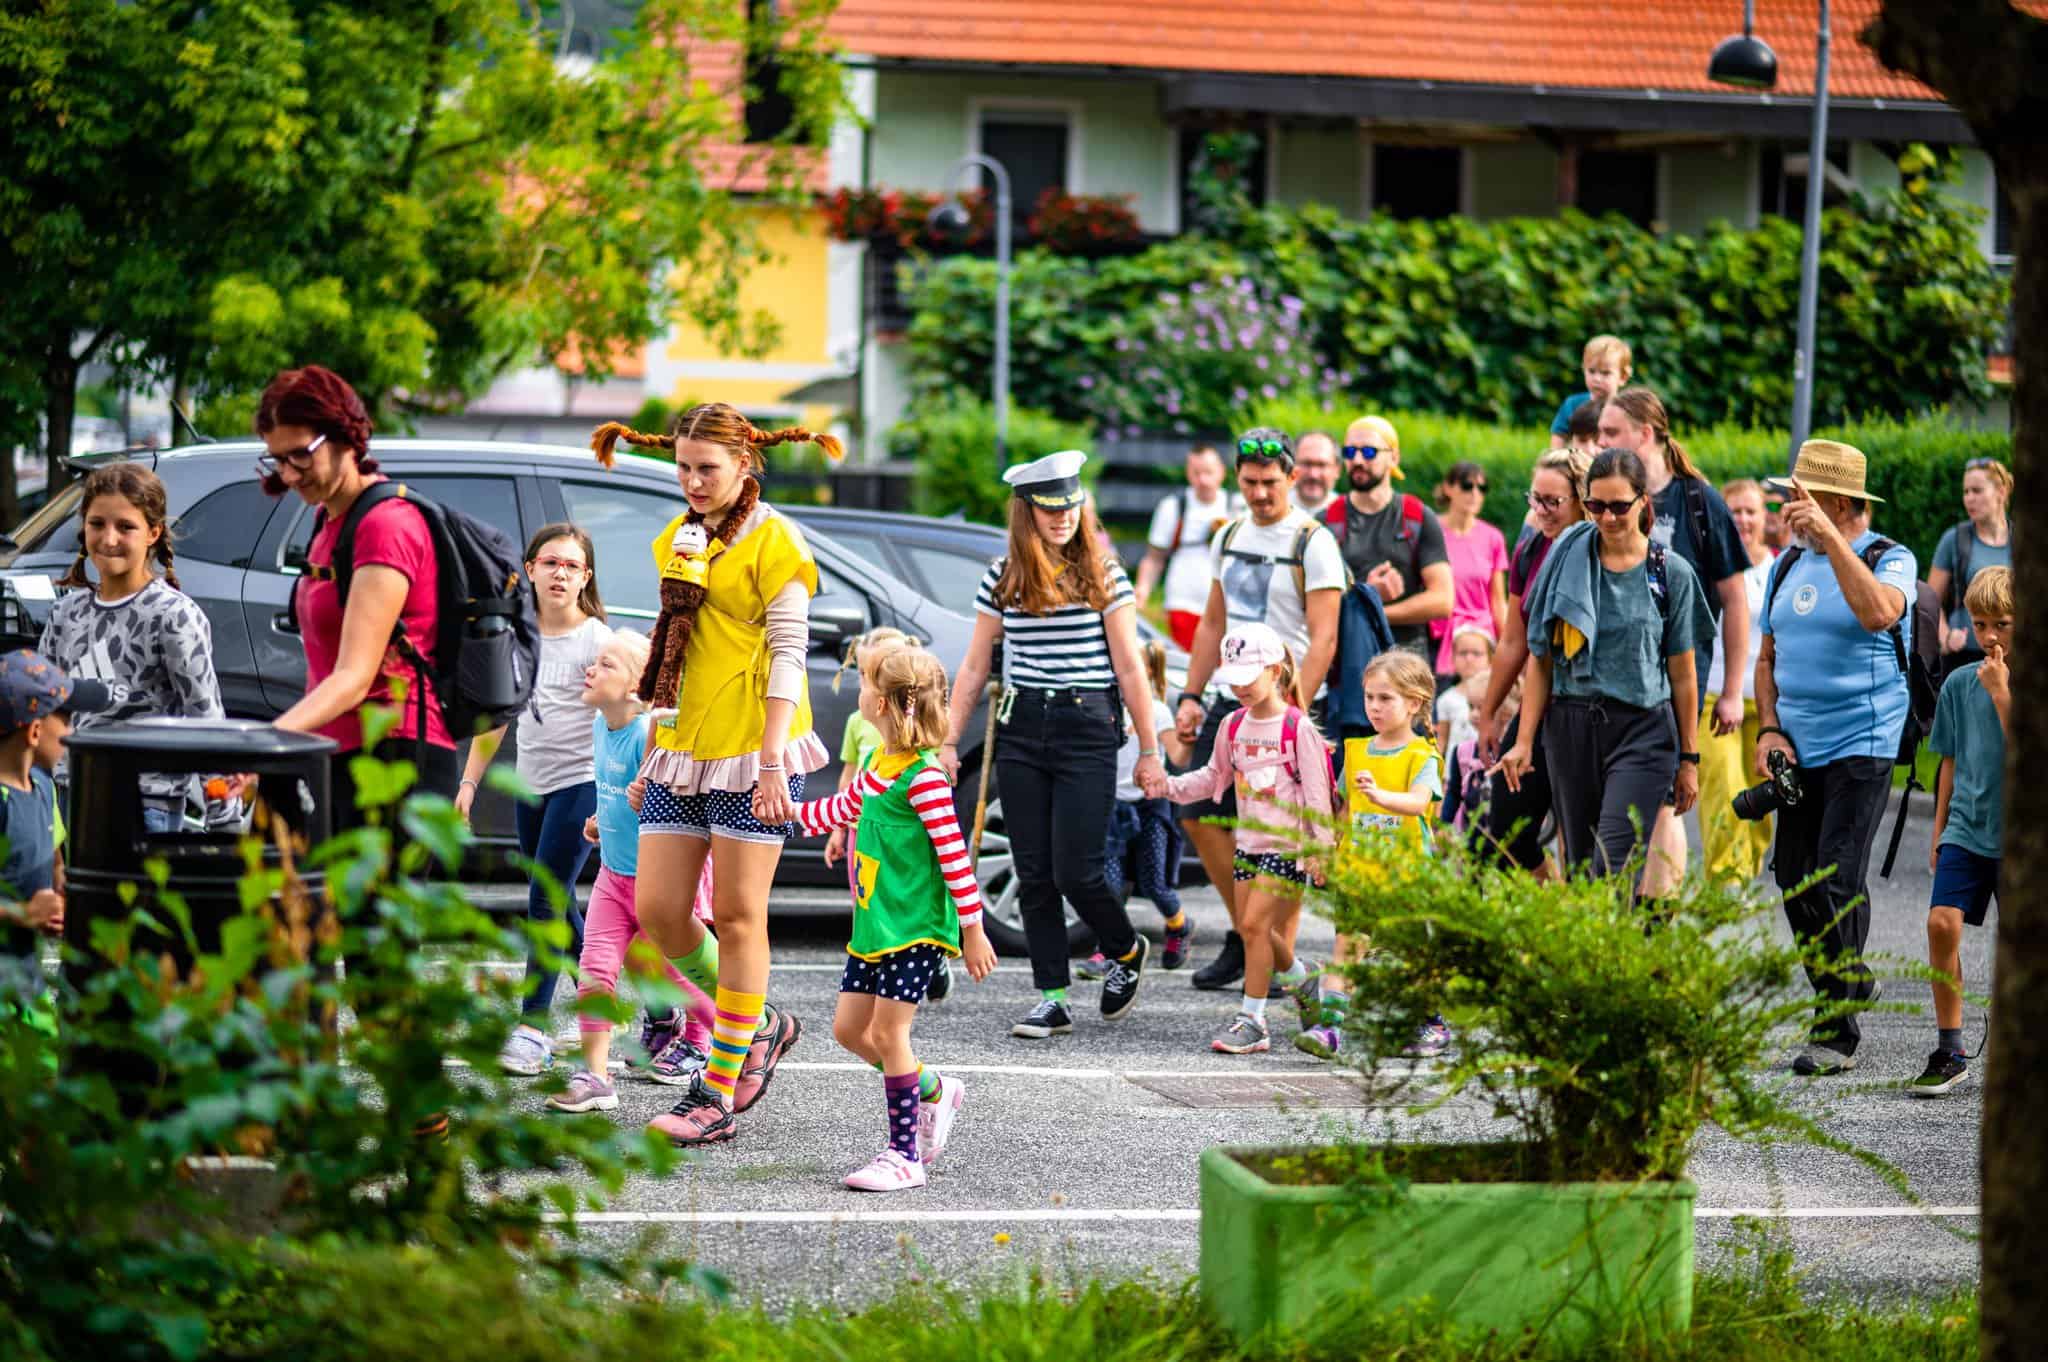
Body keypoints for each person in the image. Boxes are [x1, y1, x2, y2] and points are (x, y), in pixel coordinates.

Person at [589, 406, 841, 1145]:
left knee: (736, 916)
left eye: (708, 468)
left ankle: (717, 1090)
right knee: (663, 913)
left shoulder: (777, 540)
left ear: (744, 467)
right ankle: (755, 1018)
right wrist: (655, 746)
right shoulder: (679, 538)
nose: (694, 481)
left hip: (754, 749)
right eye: (685, 467)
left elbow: (790, 654)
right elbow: (677, 648)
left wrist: (770, 763)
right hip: (684, 744)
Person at [943, 449, 1161, 1040]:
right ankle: (1052, 996)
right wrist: (946, 740)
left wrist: (1150, 749)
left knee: (1078, 870)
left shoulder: (1105, 573)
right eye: (1049, 508)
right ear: (1027, 511)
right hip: (1020, 725)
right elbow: (973, 666)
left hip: (1087, 726)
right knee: (1033, 870)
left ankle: (1124, 947)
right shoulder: (1003, 577)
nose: (1062, 517)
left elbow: (1132, 668)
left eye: (1070, 505)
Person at [798, 647, 995, 1189]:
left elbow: (954, 858)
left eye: (862, 682)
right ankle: (934, 1088)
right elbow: (841, 810)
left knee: (889, 1034)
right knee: (848, 1030)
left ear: (879, 702)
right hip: (873, 924)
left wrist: (972, 931)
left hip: (914, 929)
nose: (856, 691)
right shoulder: (875, 765)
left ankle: (904, 1155)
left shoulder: (925, 779)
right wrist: (783, 812)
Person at [1755, 441, 1914, 1077]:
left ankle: (1835, 1030)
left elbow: (1880, 614)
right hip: (1797, 745)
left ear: (1839, 503)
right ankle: (1850, 977)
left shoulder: (1889, 557)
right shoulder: (1786, 564)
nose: (1790, 509)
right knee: (1793, 873)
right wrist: (1769, 728)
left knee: (1834, 872)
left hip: (1864, 740)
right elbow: (1766, 658)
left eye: (1802, 498)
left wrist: (1831, 538)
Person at [1172, 429, 1344, 992]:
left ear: (1292, 478)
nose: (1261, 493)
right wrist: (1193, 696)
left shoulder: (1312, 541)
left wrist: (1290, 713)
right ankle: (1253, 937)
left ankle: (1269, 958)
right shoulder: (1230, 535)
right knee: (1198, 816)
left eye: (1271, 482)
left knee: (1280, 838)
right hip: (1232, 697)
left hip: (1286, 705)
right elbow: (1212, 623)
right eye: (1250, 483)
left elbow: (1323, 639)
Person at [258, 366, 463, 822]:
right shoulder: (330, 518)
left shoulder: (384, 525)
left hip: (395, 758)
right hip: (340, 754)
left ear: (344, 436)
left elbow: (353, 675)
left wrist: (267, 742)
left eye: (300, 456)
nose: (289, 475)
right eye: (277, 459)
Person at [1497, 448, 1704, 893]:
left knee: (1610, 862)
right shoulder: (1565, 558)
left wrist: (1689, 759)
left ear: (1642, 503)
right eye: (1595, 505)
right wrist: (1525, 740)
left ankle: (1618, 948)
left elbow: (1684, 676)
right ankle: (1605, 958)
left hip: (1643, 731)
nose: (1606, 518)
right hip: (1570, 725)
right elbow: (1541, 658)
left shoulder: (1671, 573)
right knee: (1581, 866)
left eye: (1618, 506)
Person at [458, 524, 615, 1076]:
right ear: (529, 569)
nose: (561, 574)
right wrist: (470, 782)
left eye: (572, 566)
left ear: (585, 578)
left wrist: (613, 797)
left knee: (546, 899)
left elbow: (624, 714)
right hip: (533, 783)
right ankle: (613, 1009)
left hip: (582, 781)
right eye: (551, 563)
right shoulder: (518, 635)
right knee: (554, 898)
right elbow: (498, 715)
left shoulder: (597, 640)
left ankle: (532, 1028)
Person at [545, 630, 714, 1114]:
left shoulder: (649, 733)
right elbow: (613, 792)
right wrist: (603, 821)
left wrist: (653, 800)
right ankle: (595, 1077)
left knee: (671, 978)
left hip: (657, 884)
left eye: (606, 665)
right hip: (612, 877)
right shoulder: (602, 725)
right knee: (595, 970)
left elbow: (688, 799)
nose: (591, 670)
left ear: (636, 688)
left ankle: (739, 1036)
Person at [1597, 387, 1749, 896]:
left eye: (1611, 432)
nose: (1600, 442)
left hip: (1675, 682)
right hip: (1614, 683)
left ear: (1644, 435)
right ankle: (1617, 908)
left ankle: (1656, 921)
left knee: (1665, 801)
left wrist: (1730, 690)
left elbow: (1735, 599)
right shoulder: (1605, 498)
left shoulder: (1698, 503)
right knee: (1616, 802)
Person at [1162, 623, 1334, 1056]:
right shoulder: (1233, 725)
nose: (1238, 688)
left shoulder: (1298, 728)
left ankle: (1252, 1020)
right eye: (1233, 679)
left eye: (1247, 678)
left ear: (1275, 671)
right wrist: (1169, 786)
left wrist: (1320, 848)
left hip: (1289, 847)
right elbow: (1213, 777)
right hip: (1249, 844)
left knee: (1255, 925)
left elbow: (1317, 795)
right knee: (1250, 928)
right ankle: (1301, 977)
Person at [40, 462, 225, 831]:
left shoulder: (173, 615)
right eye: (97, 524)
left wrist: (224, 817)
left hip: (147, 805)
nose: (109, 539)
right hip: (69, 799)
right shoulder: (66, 614)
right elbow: (44, 710)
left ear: (153, 532)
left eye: (126, 526)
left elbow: (205, 718)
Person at [1297, 649, 1444, 1059]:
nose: (1375, 707)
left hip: (1407, 875)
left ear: (1413, 703)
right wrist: (1323, 852)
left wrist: (1380, 796)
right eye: (1369, 697)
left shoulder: (1423, 756)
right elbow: (1342, 810)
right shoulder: (1357, 750)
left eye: (1386, 698)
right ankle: (1330, 1029)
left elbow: (1419, 804)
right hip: (1360, 873)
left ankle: (1429, 1021)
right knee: (1347, 945)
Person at [1915, 565, 2010, 1097]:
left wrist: (2002, 694)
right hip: (1967, 829)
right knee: (1941, 923)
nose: (1990, 636)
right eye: (1980, 625)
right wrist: (1940, 825)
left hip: (2022, 840)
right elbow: (1947, 761)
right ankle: (1950, 1048)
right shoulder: (1956, 683)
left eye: (2003, 623)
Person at [1473, 448, 1590, 875]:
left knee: (1581, 834)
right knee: (1506, 828)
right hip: (1539, 706)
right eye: (1534, 498)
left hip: (1588, 709)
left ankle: (1580, 923)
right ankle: (1553, 911)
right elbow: (1513, 641)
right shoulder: (1530, 548)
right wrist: (1489, 713)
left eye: (1552, 502)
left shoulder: (1600, 552)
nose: (1540, 510)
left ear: (1581, 500)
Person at [0, 653, 111, 1007]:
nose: (71, 732)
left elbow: (54, 857)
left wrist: (62, 886)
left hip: (33, 985)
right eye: (65, 720)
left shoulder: (43, 785)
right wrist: (20, 914)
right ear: (34, 731)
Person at [1080, 639, 1192, 978]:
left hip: (1149, 804)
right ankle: (1107, 948)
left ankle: (1179, 925)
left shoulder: (1156, 710)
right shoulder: (1105, 707)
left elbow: (1178, 757)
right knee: (1109, 885)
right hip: (1112, 806)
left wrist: (1189, 738)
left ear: (1147, 672)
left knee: (1154, 882)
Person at [1696, 478, 1776, 888]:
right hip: (1714, 696)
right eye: (1735, 512)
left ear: (1765, 517)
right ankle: (1727, 879)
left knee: (1760, 797)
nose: (1742, 520)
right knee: (1724, 787)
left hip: (1764, 703)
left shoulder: (1778, 567)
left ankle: (1749, 866)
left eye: (1750, 511)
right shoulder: (1710, 565)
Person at [1327, 415, 1452, 660]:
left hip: (1407, 660)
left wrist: (1377, 611)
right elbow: (1311, 603)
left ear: (1394, 457)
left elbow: (1443, 600)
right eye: (1350, 451)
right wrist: (1367, 593)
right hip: (1347, 656)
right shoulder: (1328, 520)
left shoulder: (1417, 516)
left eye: (1370, 452)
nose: (1358, 460)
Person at [1135, 445, 1240, 650]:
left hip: (1226, 605)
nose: (1203, 480)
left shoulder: (1236, 506)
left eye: (1208, 472)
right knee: (1187, 664)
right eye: (1196, 473)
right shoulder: (1173, 506)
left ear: (1221, 471)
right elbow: (1155, 557)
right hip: (1183, 602)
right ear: (1188, 473)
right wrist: (1142, 588)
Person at [1928, 457, 2012, 675]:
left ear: (2001, 492)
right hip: (1963, 659)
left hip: (2014, 659)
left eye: (1977, 491)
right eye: (1966, 492)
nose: (1969, 499)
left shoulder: (2025, 541)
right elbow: (1930, 600)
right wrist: (1945, 636)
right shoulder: (1955, 539)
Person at [1431, 461, 1508, 684]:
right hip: (1442, 637)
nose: (1474, 493)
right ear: (1448, 488)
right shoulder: (1432, 531)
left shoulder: (1493, 537)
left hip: (1480, 641)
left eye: (1481, 488)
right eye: (1467, 486)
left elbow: (1498, 601)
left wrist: (1506, 650)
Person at [1548, 335, 1631, 449]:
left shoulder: (1626, 410)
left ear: (1623, 377)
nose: (1597, 379)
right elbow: (1558, 438)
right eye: (1591, 371)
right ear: (1583, 370)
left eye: (1605, 373)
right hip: (1578, 462)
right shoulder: (1572, 404)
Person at [1433, 627, 1492, 752]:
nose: (1469, 659)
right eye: (1463, 653)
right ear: (1452, 658)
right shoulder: (1446, 699)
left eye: (1477, 653)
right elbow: (1442, 740)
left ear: (1490, 659)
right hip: (1455, 768)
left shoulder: (1496, 695)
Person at [1290, 431, 1339, 516]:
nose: (1313, 474)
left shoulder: (1349, 517)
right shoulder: (1271, 512)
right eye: (1306, 464)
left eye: (1322, 465)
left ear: (1337, 470)